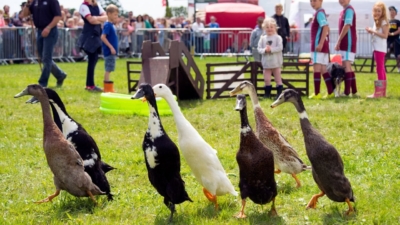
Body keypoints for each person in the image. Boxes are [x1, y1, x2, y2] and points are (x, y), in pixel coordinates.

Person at [22, 0, 67, 103]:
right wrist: (28, 3)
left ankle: (42, 84)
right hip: (39, 31)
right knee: (44, 59)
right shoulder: (35, 2)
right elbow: (25, 15)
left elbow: (58, 16)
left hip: (50, 30)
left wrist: (48, 28)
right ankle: (60, 75)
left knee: (46, 58)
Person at [78, 0, 108, 92]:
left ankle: (90, 84)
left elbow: (106, 17)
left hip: (96, 34)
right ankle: (90, 85)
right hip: (89, 35)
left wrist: (96, 18)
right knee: (92, 59)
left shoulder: (96, 5)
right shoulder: (83, 6)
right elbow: (90, 20)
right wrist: (99, 19)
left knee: (93, 59)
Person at [308, 0, 334, 99]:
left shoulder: (319, 13)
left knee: (317, 69)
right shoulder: (320, 13)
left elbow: (325, 27)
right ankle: (331, 91)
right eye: (311, 1)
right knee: (323, 69)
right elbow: (327, 28)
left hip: (318, 46)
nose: (312, 3)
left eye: (314, 0)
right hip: (323, 46)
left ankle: (317, 93)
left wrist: (320, 43)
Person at [334, 0, 358, 97]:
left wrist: (339, 40)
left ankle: (347, 92)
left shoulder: (349, 10)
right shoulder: (343, 11)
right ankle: (354, 91)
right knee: (347, 66)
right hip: (345, 42)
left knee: (346, 65)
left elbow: (347, 25)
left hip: (348, 41)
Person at [366, 1, 389, 98]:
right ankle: (382, 92)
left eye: (379, 11)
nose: (377, 13)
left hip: (380, 48)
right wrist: (371, 32)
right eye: (375, 11)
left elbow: (385, 35)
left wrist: (373, 31)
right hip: (377, 48)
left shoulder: (384, 21)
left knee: (379, 68)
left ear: (383, 11)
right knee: (381, 68)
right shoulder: (377, 21)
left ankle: (378, 92)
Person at [257, 17, 283, 99]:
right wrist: (264, 50)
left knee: (278, 79)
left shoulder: (278, 38)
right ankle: (267, 94)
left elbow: (280, 47)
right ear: (264, 28)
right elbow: (259, 49)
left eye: (271, 27)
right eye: (267, 27)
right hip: (266, 63)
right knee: (267, 79)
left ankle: (279, 95)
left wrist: (271, 50)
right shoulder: (262, 38)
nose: (269, 29)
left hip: (276, 62)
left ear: (275, 27)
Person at [101, 4, 118, 93]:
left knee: (109, 68)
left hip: (112, 51)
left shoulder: (111, 25)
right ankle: (107, 88)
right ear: (109, 14)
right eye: (115, 14)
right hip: (109, 51)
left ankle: (108, 88)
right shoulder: (107, 25)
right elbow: (103, 37)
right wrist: (111, 47)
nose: (116, 16)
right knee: (108, 69)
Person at [387, 6, 400, 72]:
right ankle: (382, 68)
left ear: (395, 13)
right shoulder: (387, 21)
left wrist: (392, 34)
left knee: (398, 55)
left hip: (396, 40)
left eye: (393, 11)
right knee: (386, 53)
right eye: (390, 11)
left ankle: (399, 68)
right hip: (388, 41)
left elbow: (399, 30)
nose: (392, 13)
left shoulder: (397, 21)